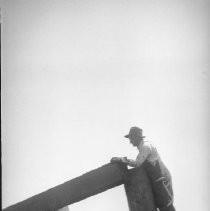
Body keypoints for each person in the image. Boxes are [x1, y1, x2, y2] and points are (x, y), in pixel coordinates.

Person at [111, 126, 175, 211]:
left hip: (160, 178)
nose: (130, 141)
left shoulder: (145, 146)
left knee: (165, 205)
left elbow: (137, 163)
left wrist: (122, 160)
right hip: (157, 178)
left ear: (136, 137)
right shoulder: (143, 146)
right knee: (159, 204)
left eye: (131, 138)